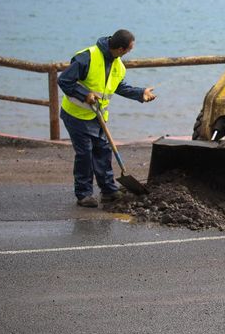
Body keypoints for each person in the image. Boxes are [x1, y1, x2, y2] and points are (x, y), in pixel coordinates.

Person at [58, 29, 156, 208]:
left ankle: (108, 191)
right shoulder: (87, 57)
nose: (129, 52)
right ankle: (84, 194)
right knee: (85, 154)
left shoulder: (118, 65)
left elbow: (120, 87)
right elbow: (64, 80)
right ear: (119, 48)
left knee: (103, 151)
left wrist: (140, 93)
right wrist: (84, 94)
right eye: (129, 49)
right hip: (75, 115)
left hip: (98, 116)